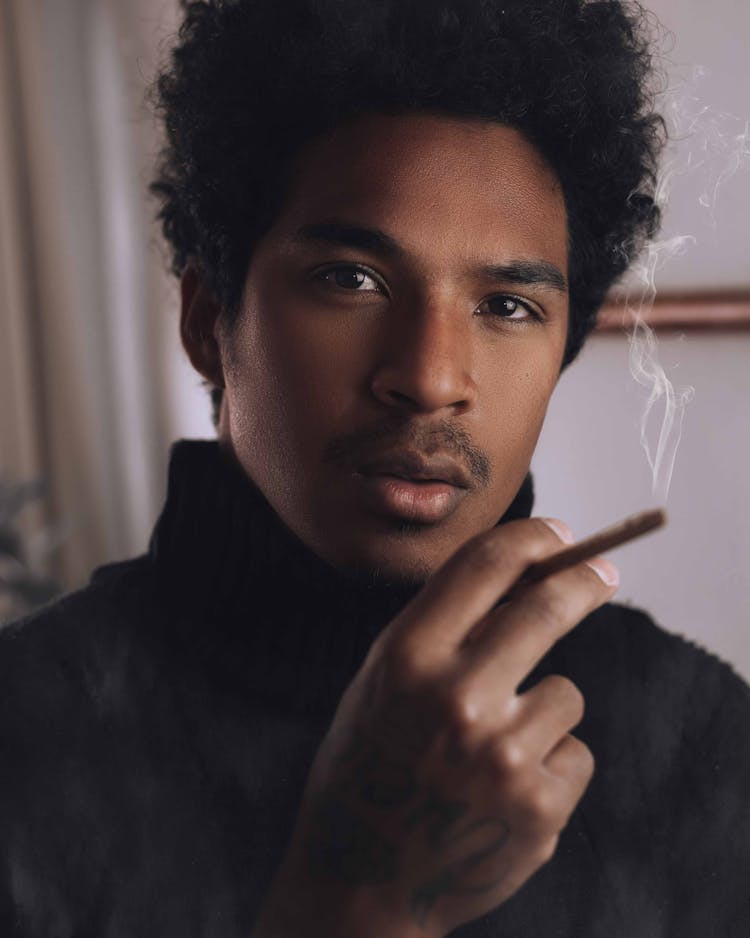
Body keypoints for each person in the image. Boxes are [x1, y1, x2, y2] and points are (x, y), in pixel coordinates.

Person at [1, 0, 749, 935]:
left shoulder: (704, 742)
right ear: (206, 323)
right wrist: (361, 900)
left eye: (510, 306)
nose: (430, 379)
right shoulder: (24, 732)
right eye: (351, 279)